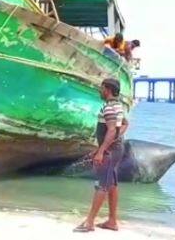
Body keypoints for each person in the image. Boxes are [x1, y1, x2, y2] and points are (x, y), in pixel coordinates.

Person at [75, 78, 129, 233]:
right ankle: (112, 221)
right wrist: (111, 143)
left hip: (110, 152)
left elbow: (112, 130)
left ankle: (89, 222)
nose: (100, 90)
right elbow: (125, 124)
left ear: (107, 89)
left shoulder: (109, 108)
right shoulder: (118, 106)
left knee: (102, 184)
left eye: (101, 88)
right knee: (111, 184)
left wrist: (101, 150)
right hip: (115, 149)